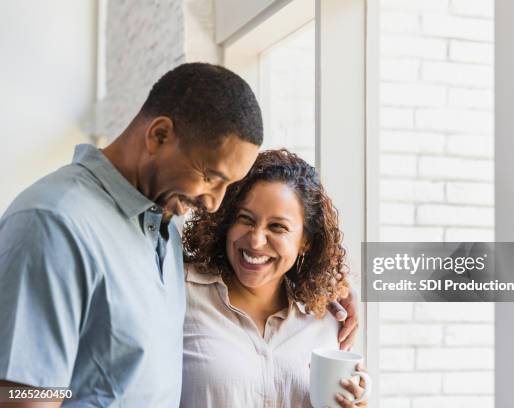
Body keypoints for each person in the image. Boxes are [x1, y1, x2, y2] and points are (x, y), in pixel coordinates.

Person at [0, 63, 358, 407]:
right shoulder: (53, 223)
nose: (215, 203)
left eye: (227, 186)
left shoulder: (163, 225)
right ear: (159, 135)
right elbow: (16, 392)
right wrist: (49, 393)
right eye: (210, 176)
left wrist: (334, 287)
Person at [180, 149, 368, 408]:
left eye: (277, 226)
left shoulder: (327, 318)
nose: (256, 240)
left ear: (306, 242)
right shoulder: (182, 294)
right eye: (245, 219)